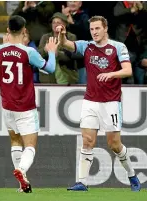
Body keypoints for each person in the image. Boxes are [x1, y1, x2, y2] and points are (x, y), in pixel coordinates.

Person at [57, 15, 141, 191]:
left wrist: (110, 74)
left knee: (114, 145)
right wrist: (62, 35)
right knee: (87, 140)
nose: (94, 32)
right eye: (92, 29)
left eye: (97, 28)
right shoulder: (87, 46)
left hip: (110, 102)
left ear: (105, 29)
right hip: (90, 101)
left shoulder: (118, 47)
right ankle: (82, 182)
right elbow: (66, 45)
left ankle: (133, 176)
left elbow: (128, 70)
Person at [0, 15, 59, 193]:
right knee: (31, 146)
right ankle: (21, 170)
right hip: (25, 107)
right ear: (25, 30)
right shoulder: (28, 52)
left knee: (15, 140)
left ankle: (22, 183)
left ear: (8, 31)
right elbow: (50, 69)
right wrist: (51, 52)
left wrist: (2, 48)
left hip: (7, 106)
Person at [38, 12, 78, 84]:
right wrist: (45, 50)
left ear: (65, 24)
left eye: (59, 22)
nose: (55, 24)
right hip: (48, 77)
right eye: (54, 22)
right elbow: (38, 55)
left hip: (67, 75)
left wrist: (56, 53)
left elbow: (72, 56)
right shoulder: (45, 37)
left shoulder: (71, 37)